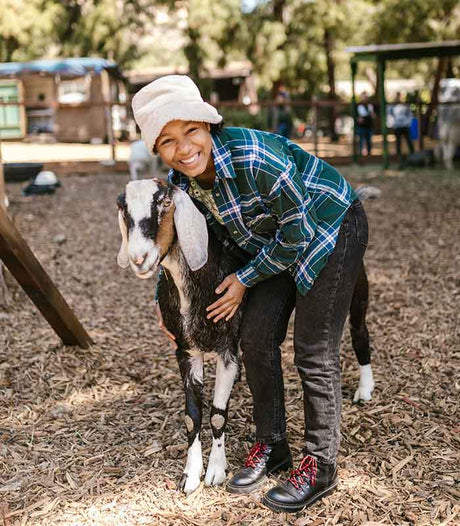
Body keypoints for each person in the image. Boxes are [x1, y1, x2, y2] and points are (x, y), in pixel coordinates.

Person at [131, 75, 368, 513]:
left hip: (330, 227)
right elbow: (172, 247)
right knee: (255, 339)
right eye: (167, 141)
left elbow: (298, 233)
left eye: (191, 132)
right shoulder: (178, 188)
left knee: (313, 349)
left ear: (209, 126)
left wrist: (244, 280)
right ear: (157, 151)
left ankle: (321, 465)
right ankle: (273, 445)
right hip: (269, 243)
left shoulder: (256, 157)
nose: (183, 149)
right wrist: (165, 311)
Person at [387, 92, 415, 168]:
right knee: (398, 143)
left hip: (405, 126)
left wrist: (407, 123)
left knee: (409, 140)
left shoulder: (405, 105)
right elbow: (389, 116)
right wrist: (392, 124)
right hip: (397, 127)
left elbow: (410, 115)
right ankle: (399, 157)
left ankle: (413, 155)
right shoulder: (392, 106)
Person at [356, 92, 375, 156]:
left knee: (369, 141)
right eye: (364, 97)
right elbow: (356, 116)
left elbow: (373, 115)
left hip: (369, 126)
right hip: (361, 127)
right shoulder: (358, 106)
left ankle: (369, 154)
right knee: (361, 141)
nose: (365, 98)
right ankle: (360, 155)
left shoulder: (370, 106)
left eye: (366, 97)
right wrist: (358, 119)